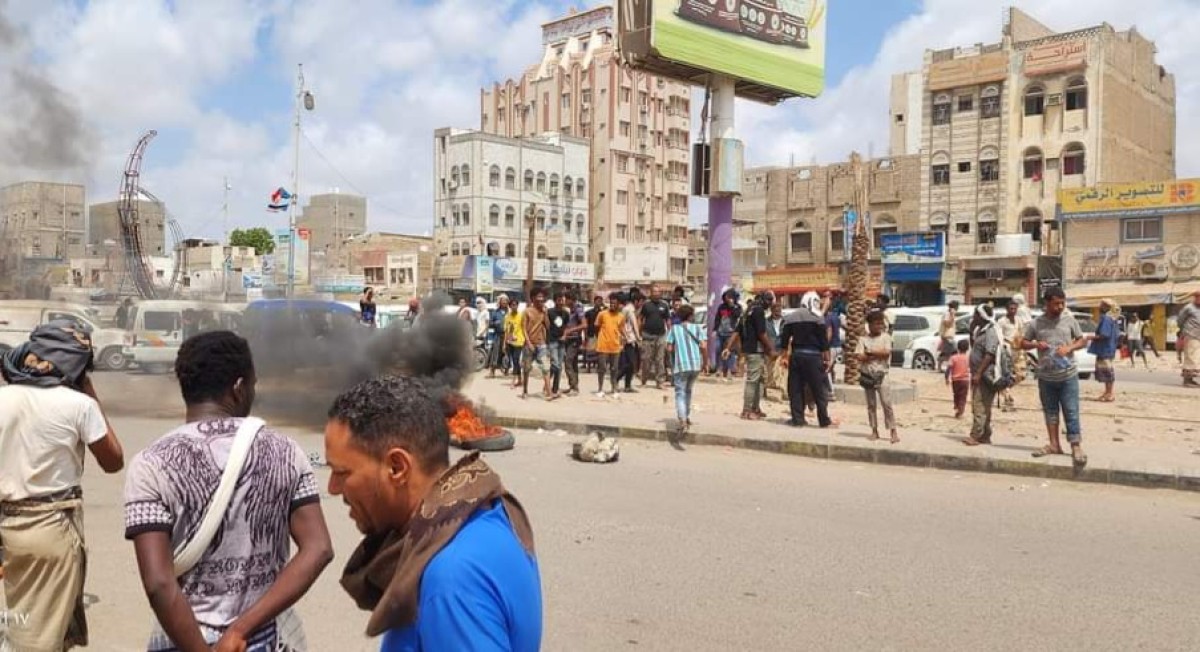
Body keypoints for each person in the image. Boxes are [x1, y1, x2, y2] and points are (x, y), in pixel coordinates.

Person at [124, 331, 333, 651]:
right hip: (261, 638)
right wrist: (240, 629)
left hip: (180, 639)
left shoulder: (150, 463)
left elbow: (159, 583)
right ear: (238, 388)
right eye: (253, 384)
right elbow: (318, 548)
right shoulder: (286, 451)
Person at [325, 376, 541, 651]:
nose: (332, 488)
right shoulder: (485, 509)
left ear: (396, 467)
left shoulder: (450, 579)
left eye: (342, 472)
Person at [0, 321, 124, 652]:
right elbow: (113, 461)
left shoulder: (3, 398)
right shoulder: (78, 405)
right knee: (39, 639)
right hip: (51, 527)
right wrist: (90, 394)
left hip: (7, 525)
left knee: (19, 617)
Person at [1022, 287, 1090, 467]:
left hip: (1068, 376)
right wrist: (1036, 344)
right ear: (1047, 303)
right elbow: (1023, 343)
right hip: (1046, 377)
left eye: (1062, 303)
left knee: (1071, 411)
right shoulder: (1036, 323)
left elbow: (1082, 340)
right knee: (1050, 412)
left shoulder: (1069, 320)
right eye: (1056, 304)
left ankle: (1076, 446)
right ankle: (1054, 444)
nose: (1060, 307)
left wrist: (1069, 348)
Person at [779, 293, 833, 428]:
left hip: (796, 357)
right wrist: (827, 359)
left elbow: (784, 341)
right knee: (818, 390)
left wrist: (784, 357)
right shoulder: (818, 318)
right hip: (814, 358)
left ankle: (798, 420)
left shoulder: (790, 317)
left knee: (795, 389)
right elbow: (824, 342)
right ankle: (823, 420)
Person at [724, 292, 775, 421]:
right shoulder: (758, 312)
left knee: (760, 380)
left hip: (749, 349)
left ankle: (756, 408)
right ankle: (746, 410)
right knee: (753, 381)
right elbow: (762, 333)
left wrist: (728, 348)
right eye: (769, 300)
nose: (770, 304)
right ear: (763, 300)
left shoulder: (747, 311)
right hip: (755, 350)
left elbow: (737, 331)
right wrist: (771, 349)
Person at [665, 303, 707, 443]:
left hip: (681, 365)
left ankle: (682, 419)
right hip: (695, 364)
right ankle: (686, 417)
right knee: (688, 391)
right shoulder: (697, 328)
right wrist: (705, 363)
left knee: (680, 393)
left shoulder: (674, 329)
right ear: (690, 316)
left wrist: (672, 358)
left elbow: (669, 348)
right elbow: (703, 346)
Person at [856, 310, 898, 443]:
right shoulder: (863, 339)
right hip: (868, 375)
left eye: (881, 324)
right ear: (869, 325)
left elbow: (886, 353)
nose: (879, 326)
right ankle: (874, 430)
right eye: (876, 324)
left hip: (882, 375)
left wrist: (870, 353)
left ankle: (893, 430)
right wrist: (873, 355)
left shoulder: (886, 337)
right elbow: (859, 356)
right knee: (871, 405)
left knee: (887, 404)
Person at [964, 304, 1001, 447]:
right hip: (979, 373)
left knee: (979, 404)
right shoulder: (981, 331)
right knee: (984, 405)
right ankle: (985, 435)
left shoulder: (991, 331)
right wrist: (971, 328)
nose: (974, 317)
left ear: (982, 316)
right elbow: (974, 346)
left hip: (986, 374)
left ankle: (975, 435)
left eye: (975, 314)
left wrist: (978, 373)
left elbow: (989, 354)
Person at [521, 288, 553, 400]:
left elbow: (548, 327)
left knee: (546, 367)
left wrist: (545, 314)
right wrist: (528, 343)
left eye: (542, 297)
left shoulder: (543, 311)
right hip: (529, 344)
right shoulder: (527, 311)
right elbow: (523, 328)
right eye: (538, 296)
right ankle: (525, 390)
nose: (541, 299)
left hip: (541, 344)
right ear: (533, 298)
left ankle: (549, 392)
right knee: (526, 368)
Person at [996, 301, 1027, 411]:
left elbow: (1022, 333)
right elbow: (998, 336)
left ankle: (1006, 388)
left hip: (1018, 350)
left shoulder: (1019, 320)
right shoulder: (1002, 321)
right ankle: (1007, 397)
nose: (1013, 311)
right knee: (1006, 373)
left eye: (1015, 308)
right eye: (1011, 308)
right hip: (1007, 349)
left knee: (1022, 374)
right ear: (1007, 309)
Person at [638, 286, 671, 389]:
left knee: (660, 359)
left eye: (658, 292)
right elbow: (640, 319)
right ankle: (644, 380)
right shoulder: (646, 305)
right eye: (654, 292)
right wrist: (639, 333)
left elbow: (668, 320)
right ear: (651, 293)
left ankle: (660, 381)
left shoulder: (664, 305)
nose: (656, 294)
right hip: (647, 335)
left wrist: (670, 334)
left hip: (661, 336)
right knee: (646, 359)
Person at [1088, 298, 1120, 402]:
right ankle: (1107, 393)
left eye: (1101, 305)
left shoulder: (1106, 318)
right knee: (1107, 371)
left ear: (1106, 307)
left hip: (1104, 349)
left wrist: (1091, 337)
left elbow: (1104, 334)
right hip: (1109, 348)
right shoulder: (1112, 318)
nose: (1099, 307)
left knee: (1107, 372)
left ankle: (1109, 393)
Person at [594, 294, 624, 397]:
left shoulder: (621, 316)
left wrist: (622, 342)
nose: (612, 305)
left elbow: (620, 330)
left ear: (618, 304)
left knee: (614, 369)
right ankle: (600, 388)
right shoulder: (602, 314)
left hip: (615, 346)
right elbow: (596, 326)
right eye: (611, 303)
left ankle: (614, 388)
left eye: (615, 303)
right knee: (602, 368)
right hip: (603, 345)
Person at [561, 292, 586, 396]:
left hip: (574, 339)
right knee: (573, 363)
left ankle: (574, 386)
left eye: (566, 299)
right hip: (568, 340)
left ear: (571, 299)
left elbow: (584, 324)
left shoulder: (578, 309)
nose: (564, 302)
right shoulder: (568, 311)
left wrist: (570, 330)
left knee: (568, 362)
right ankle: (573, 386)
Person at [616, 290, 642, 393]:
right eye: (641, 302)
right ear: (636, 301)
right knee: (631, 363)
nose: (641, 304)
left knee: (630, 364)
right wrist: (638, 336)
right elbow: (634, 324)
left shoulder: (628, 309)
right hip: (629, 339)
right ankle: (616, 378)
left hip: (629, 339)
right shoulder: (629, 309)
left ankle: (627, 386)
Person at [713, 290, 742, 379]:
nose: (727, 298)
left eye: (729, 297)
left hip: (731, 333)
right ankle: (719, 368)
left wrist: (732, 306)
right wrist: (715, 329)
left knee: (730, 352)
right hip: (720, 332)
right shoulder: (721, 307)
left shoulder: (737, 307)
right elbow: (717, 318)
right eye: (726, 296)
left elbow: (737, 315)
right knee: (718, 349)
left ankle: (730, 370)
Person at [765, 302, 788, 402]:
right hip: (769, 351)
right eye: (775, 308)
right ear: (772, 309)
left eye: (779, 307)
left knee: (782, 373)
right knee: (769, 373)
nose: (778, 310)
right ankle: (768, 392)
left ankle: (783, 393)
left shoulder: (786, 322)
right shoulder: (766, 322)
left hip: (782, 350)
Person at [545, 296, 567, 399]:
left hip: (561, 342)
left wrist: (565, 335)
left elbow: (566, 327)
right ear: (555, 301)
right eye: (559, 300)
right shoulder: (550, 312)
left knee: (559, 366)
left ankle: (554, 388)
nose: (562, 302)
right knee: (556, 364)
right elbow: (546, 326)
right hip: (552, 341)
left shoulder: (566, 313)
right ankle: (549, 384)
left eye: (563, 301)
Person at [1178, 290, 1200, 388]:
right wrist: (1183, 332)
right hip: (1190, 335)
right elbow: (1180, 320)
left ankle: (1191, 379)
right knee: (1191, 358)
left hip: (1198, 336)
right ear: (1196, 298)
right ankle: (1187, 380)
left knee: (1196, 358)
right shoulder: (1188, 308)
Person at [945, 339, 971, 419]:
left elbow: (948, 368)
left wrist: (946, 378)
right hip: (965, 380)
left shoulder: (953, 358)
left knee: (956, 395)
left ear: (958, 348)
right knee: (963, 396)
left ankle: (957, 407)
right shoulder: (968, 358)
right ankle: (961, 410)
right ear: (967, 348)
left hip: (955, 380)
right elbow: (972, 368)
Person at [504, 300, 525, 389]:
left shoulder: (521, 316)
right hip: (510, 342)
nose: (514, 306)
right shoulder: (507, 317)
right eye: (512, 305)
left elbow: (524, 328)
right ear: (510, 306)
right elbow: (506, 330)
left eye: (516, 305)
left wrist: (526, 341)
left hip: (519, 341)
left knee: (516, 360)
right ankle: (520, 380)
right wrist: (504, 343)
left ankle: (513, 381)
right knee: (514, 361)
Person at [488, 295, 510, 377]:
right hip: (497, 335)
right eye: (502, 301)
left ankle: (506, 370)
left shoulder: (510, 312)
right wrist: (495, 323)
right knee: (495, 353)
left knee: (507, 353)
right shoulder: (495, 312)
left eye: (505, 301)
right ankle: (492, 371)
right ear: (500, 302)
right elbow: (490, 323)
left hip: (507, 335)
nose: (504, 302)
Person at [825, 304, 843, 395]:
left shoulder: (828, 318)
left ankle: (830, 391)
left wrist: (824, 346)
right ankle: (831, 384)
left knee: (826, 369)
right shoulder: (836, 317)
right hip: (838, 345)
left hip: (831, 346)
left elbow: (829, 332)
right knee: (830, 368)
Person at [937, 300, 960, 371]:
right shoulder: (948, 314)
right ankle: (951, 367)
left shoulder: (949, 313)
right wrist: (952, 316)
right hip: (947, 336)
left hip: (948, 336)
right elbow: (947, 324)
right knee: (954, 352)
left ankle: (940, 367)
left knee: (946, 352)